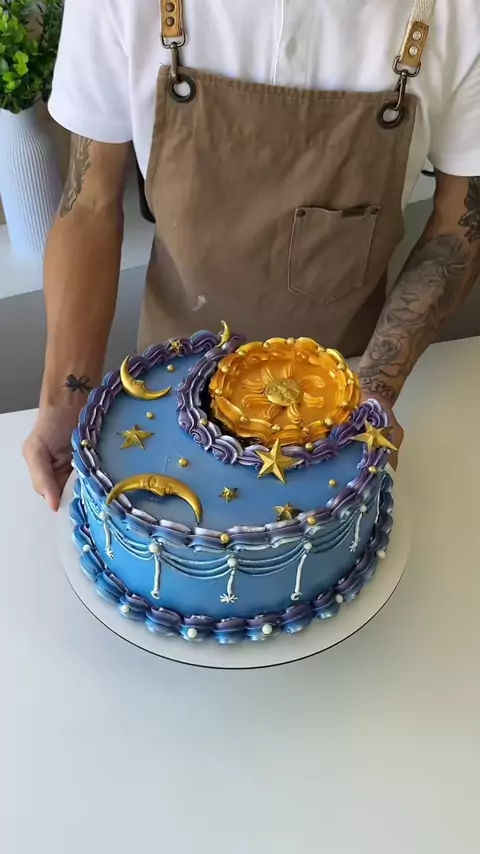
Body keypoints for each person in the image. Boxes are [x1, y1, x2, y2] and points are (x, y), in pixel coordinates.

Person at [24, 0, 480, 509]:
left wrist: (374, 390)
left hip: (344, 397)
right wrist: (64, 401)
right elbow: (89, 204)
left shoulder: (458, 11)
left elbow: (461, 220)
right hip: (166, 400)